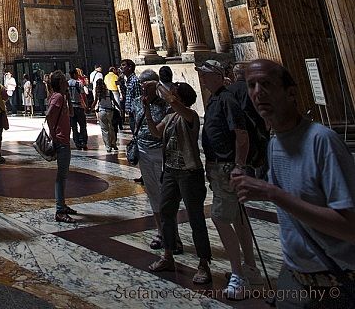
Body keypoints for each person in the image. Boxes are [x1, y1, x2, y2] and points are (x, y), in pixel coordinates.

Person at [233, 60, 355, 300]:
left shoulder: (323, 141)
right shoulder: (275, 144)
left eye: (266, 84)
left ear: (290, 93)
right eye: (252, 85)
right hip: (293, 279)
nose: (258, 92)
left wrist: (272, 193)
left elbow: (350, 228)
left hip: (334, 284)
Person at [199, 58, 261, 299]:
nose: (202, 78)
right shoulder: (215, 98)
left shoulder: (226, 99)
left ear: (217, 75)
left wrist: (238, 165)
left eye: (205, 74)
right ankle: (250, 269)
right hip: (220, 167)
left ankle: (238, 275)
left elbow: (241, 135)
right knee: (238, 217)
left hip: (227, 168)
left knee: (220, 218)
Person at [145, 80, 213, 286]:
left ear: (180, 96)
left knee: (196, 218)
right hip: (171, 172)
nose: (171, 95)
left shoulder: (189, 116)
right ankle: (167, 255)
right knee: (166, 212)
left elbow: (172, 101)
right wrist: (146, 109)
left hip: (189, 173)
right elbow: (156, 133)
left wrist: (158, 85)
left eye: (174, 92)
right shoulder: (170, 117)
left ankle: (203, 263)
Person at [131, 69, 173, 250]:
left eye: (146, 83)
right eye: (140, 83)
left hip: (162, 151)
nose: (142, 87)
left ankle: (173, 235)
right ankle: (160, 232)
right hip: (143, 151)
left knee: (167, 195)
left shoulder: (166, 104)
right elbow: (134, 124)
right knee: (153, 193)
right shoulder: (135, 103)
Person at [46, 70, 76, 223]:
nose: (67, 82)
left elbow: (70, 114)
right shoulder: (57, 97)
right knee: (61, 176)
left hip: (63, 139)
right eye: (64, 80)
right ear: (60, 83)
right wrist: (53, 136)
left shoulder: (61, 97)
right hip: (60, 140)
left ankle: (62, 205)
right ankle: (59, 210)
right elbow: (49, 116)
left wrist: (68, 97)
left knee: (63, 176)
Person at [67, 68, 88, 150]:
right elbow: (83, 95)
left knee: (74, 126)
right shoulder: (78, 83)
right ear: (75, 74)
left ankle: (77, 142)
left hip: (71, 107)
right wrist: (86, 105)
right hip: (79, 106)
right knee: (82, 125)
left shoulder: (67, 84)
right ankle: (83, 141)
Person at [96, 78, 118, 153]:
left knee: (104, 130)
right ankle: (113, 143)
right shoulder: (109, 92)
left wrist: (90, 109)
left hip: (102, 111)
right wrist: (120, 108)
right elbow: (114, 101)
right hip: (110, 111)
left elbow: (95, 102)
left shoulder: (98, 93)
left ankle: (108, 147)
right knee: (111, 128)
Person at [122, 59, 141, 130]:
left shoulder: (134, 81)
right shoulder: (127, 80)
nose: (121, 67)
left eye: (124, 65)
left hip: (135, 112)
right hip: (131, 112)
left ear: (130, 67)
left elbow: (138, 98)